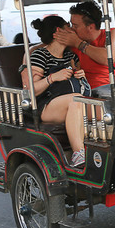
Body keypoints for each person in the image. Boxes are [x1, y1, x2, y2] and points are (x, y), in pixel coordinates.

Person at [27, 16, 92, 167]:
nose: (73, 30)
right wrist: (52, 78)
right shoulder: (39, 55)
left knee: (103, 108)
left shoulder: (71, 56)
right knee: (76, 100)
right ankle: (78, 154)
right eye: (68, 26)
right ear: (58, 32)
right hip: (46, 106)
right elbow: (31, 90)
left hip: (72, 102)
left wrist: (81, 75)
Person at [53, 1, 115, 89]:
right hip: (82, 91)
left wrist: (77, 43)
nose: (72, 29)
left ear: (90, 27)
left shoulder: (112, 33)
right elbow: (42, 49)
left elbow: (108, 58)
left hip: (109, 90)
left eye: (75, 26)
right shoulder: (73, 40)